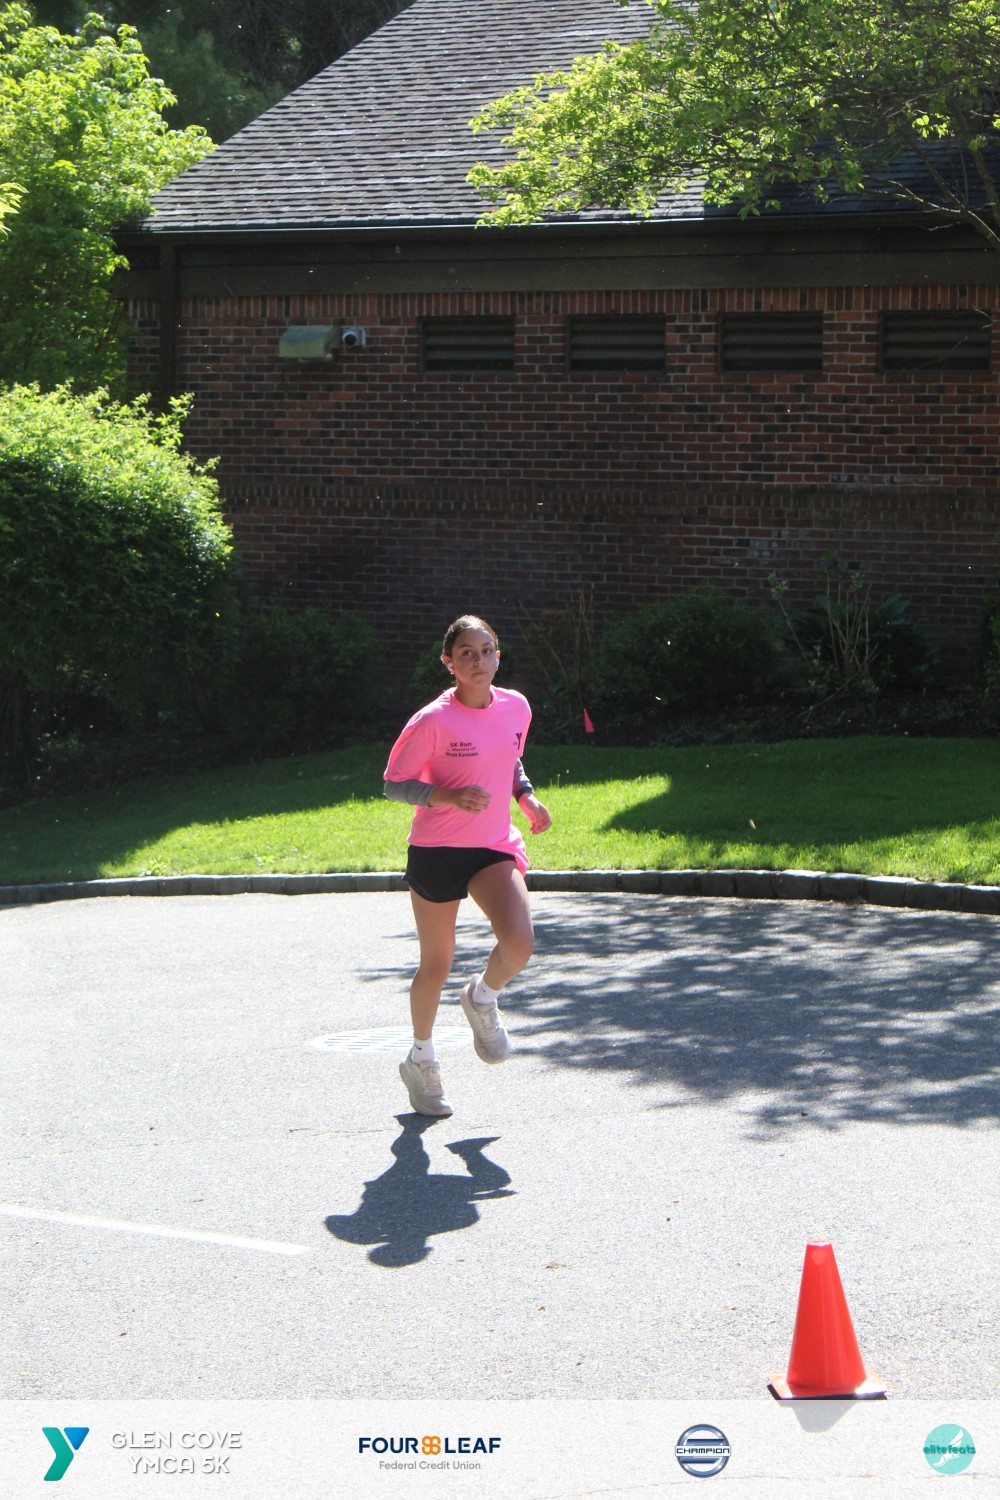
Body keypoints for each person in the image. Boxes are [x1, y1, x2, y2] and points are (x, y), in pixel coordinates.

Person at [383, 614, 552, 1116]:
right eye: (466, 653)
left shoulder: (516, 706)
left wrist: (525, 795)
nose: (479, 661)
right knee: (436, 964)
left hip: (492, 845)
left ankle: (482, 997)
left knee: (519, 942)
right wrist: (448, 796)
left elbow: (509, 755)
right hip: (437, 851)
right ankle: (421, 1059)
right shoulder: (432, 721)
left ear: (498, 656)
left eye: (487, 651)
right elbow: (394, 784)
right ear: (449, 663)